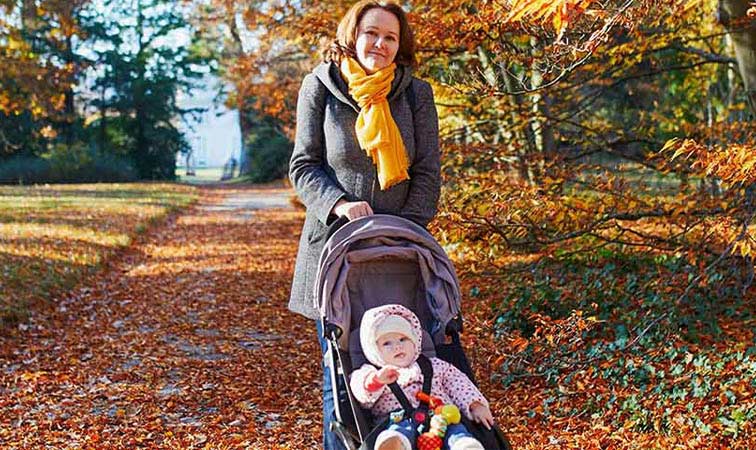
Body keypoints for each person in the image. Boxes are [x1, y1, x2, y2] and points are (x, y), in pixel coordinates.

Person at [287, 1, 441, 448]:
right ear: (352, 35)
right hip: (333, 253)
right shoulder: (321, 86)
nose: (380, 44)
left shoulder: (416, 94)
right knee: (343, 371)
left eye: (391, 37)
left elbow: (429, 172)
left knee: (407, 365)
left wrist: (403, 231)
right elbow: (303, 165)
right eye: (372, 33)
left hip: (400, 255)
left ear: (400, 45)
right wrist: (338, 203)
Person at [350, 304, 494, 450]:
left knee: (455, 431)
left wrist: (475, 405)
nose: (397, 346)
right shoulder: (373, 372)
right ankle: (394, 445)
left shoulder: (435, 365)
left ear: (415, 341)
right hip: (398, 419)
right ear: (374, 350)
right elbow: (361, 393)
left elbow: (458, 383)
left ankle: (463, 445)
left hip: (441, 417)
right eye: (387, 343)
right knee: (398, 430)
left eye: (403, 339)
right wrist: (377, 381)